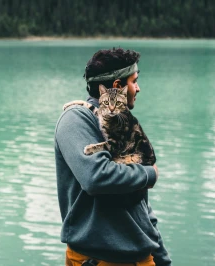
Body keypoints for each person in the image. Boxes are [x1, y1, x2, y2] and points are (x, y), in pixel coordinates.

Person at [55, 47, 171, 266]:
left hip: (142, 257)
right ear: (117, 86)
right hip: (98, 259)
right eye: (134, 81)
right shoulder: (76, 119)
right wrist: (149, 174)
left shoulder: (123, 125)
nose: (138, 88)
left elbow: (141, 206)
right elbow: (95, 177)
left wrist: (162, 259)